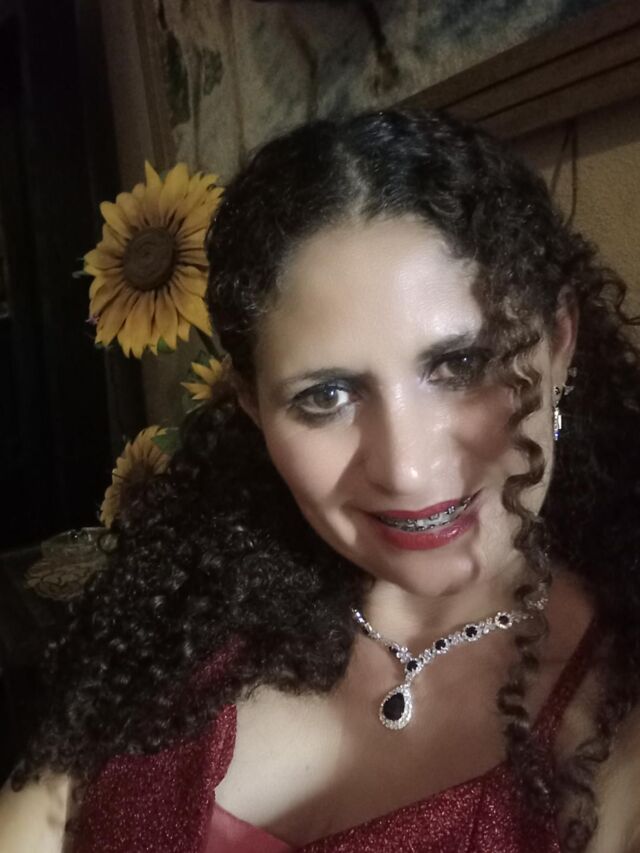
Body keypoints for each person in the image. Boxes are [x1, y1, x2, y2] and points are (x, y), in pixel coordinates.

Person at [1, 108, 640, 853]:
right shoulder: (180, 626)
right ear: (252, 405)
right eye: (326, 396)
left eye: (462, 364)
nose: (405, 469)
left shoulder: (617, 718)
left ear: (560, 340)